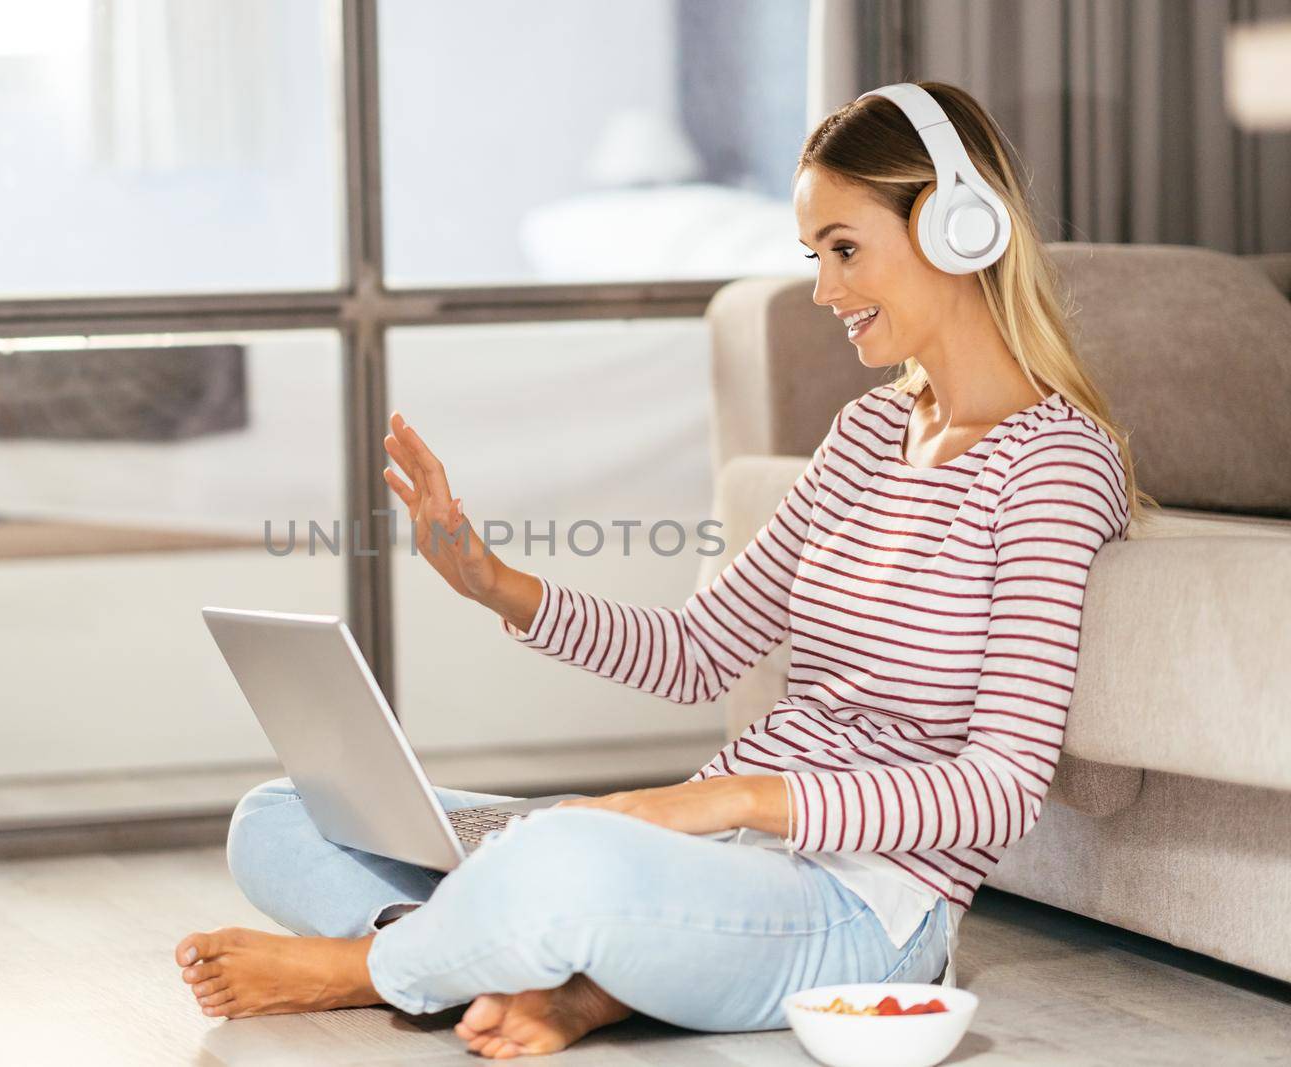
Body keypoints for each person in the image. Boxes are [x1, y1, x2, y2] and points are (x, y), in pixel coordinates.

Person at [174, 80, 1155, 1059]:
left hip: (863, 908)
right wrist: (493, 582)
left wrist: (728, 796)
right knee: (286, 811)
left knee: (568, 857)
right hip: (713, 861)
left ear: (956, 226)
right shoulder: (864, 433)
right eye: (814, 257)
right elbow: (696, 650)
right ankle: (493, 958)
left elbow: (999, 787)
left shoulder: (1052, 463)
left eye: (844, 248)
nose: (823, 291)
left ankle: (376, 967)